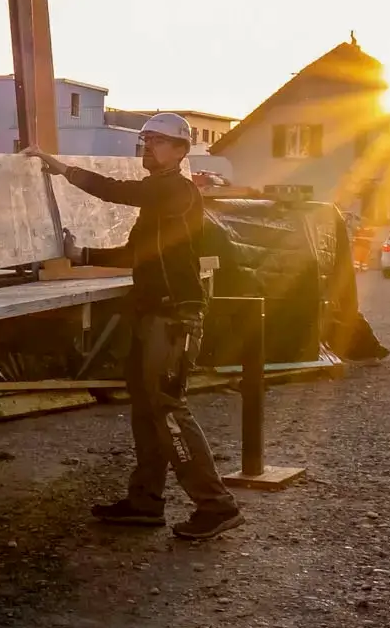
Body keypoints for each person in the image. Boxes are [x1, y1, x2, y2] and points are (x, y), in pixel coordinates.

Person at [25, 113, 244, 539]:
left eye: (159, 142)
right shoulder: (160, 202)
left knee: (166, 408)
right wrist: (82, 254)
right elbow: (134, 255)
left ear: (181, 150)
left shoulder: (173, 190)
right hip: (152, 315)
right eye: (145, 141)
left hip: (173, 317)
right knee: (147, 412)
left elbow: (115, 191)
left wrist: (62, 168)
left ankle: (216, 505)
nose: (149, 148)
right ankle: (145, 502)